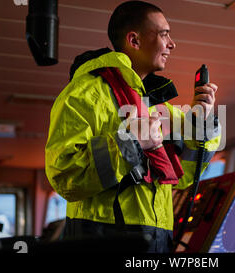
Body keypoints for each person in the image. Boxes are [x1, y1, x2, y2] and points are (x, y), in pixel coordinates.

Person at [45, 0, 221, 253]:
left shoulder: (156, 106)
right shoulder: (84, 94)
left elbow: (185, 178)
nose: (172, 44)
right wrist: (131, 143)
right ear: (134, 41)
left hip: (157, 239)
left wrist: (202, 121)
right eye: (164, 34)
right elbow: (65, 176)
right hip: (102, 238)